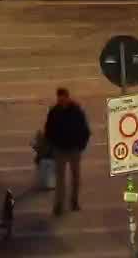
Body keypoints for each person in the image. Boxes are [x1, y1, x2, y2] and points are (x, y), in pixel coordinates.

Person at [43, 87, 90, 215]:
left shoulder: (76, 111)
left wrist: (81, 145)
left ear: (68, 97)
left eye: (63, 98)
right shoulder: (54, 112)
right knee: (60, 180)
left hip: (74, 149)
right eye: (59, 99)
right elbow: (48, 130)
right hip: (60, 150)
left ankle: (74, 202)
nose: (61, 101)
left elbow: (85, 130)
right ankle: (59, 205)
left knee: (75, 178)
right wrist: (53, 145)